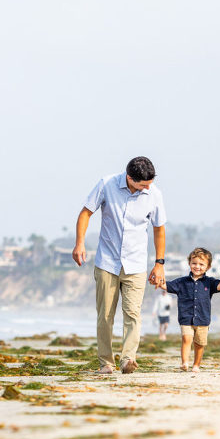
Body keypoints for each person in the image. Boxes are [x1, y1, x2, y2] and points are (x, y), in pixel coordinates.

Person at [72, 156, 167, 374]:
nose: (148, 188)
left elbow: (159, 229)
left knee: (133, 313)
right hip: (107, 261)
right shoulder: (107, 184)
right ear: (130, 178)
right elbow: (86, 213)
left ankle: (128, 359)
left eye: (150, 183)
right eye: (143, 185)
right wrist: (80, 243)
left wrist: (159, 263)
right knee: (105, 315)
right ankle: (106, 363)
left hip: (136, 264)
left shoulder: (154, 194)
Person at [157, 248, 220, 372]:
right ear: (189, 263)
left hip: (203, 319)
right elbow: (166, 285)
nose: (197, 266)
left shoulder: (209, 282)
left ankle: (196, 365)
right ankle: (185, 363)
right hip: (186, 318)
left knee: (199, 344)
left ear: (208, 267)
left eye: (201, 264)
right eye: (194, 263)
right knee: (186, 339)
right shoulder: (181, 282)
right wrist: (158, 280)